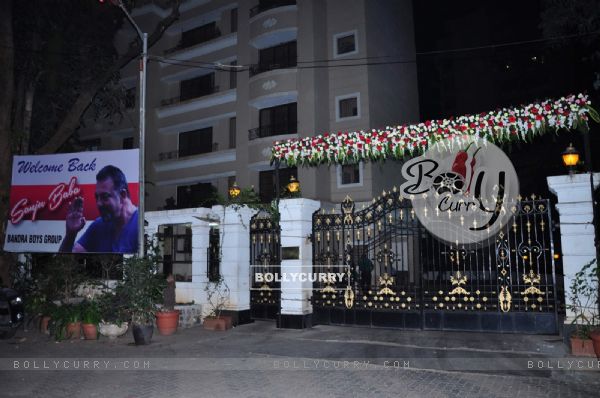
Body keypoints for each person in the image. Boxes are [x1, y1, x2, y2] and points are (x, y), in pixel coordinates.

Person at [59, 165, 138, 253]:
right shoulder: (99, 225)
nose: (99, 203)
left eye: (105, 197)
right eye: (97, 197)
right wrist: (70, 234)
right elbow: (63, 263)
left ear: (123, 195)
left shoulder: (141, 225)